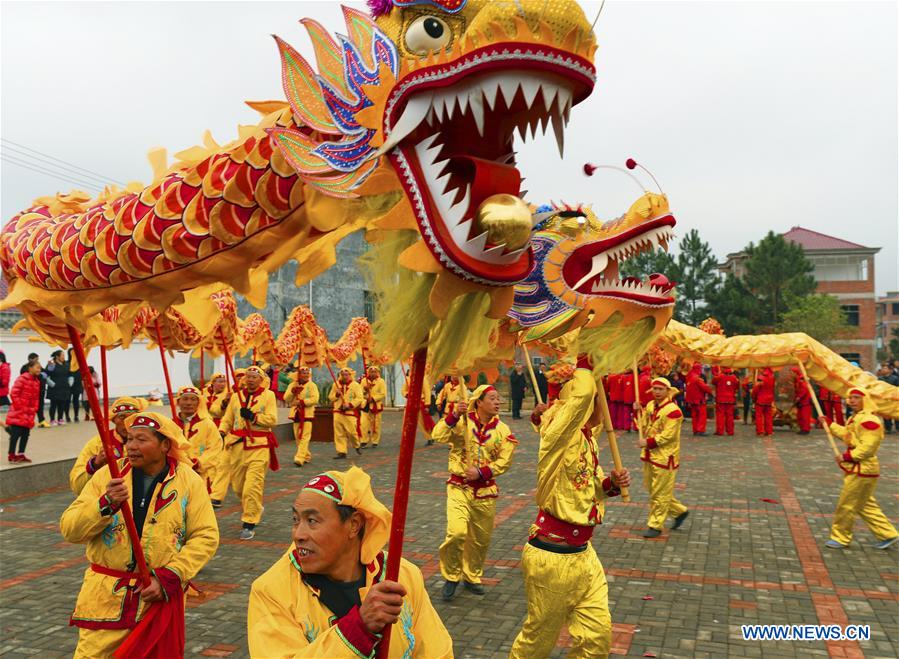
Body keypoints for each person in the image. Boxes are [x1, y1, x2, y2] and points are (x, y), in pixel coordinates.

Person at [60, 411, 219, 658]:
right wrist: (105, 503)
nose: (131, 446)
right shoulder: (109, 476)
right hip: (105, 600)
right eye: (129, 439)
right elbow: (70, 530)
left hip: (156, 601)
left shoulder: (189, 481)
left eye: (141, 439)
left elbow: (205, 536)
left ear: (165, 445)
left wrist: (170, 576)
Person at [247, 466, 452, 657]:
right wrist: (358, 630)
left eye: (312, 521)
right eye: (296, 520)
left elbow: (436, 651)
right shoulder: (272, 591)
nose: (298, 534)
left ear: (354, 525)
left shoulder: (399, 575)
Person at [510, 363, 630, 657]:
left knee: (597, 639)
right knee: (537, 643)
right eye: (595, 398)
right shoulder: (558, 436)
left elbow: (590, 487)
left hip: (585, 555)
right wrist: (587, 361)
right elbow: (582, 395)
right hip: (552, 558)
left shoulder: (587, 439)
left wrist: (611, 484)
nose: (600, 404)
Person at [432, 385, 518, 601]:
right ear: (479, 401)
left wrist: (481, 472)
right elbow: (438, 435)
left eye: (498, 398)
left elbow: (505, 460)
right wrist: (454, 415)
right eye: (492, 398)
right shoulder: (463, 422)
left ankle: (472, 575)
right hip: (459, 487)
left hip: (485, 491)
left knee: (480, 540)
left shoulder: (503, 430)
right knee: (457, 533)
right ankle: (452, 575)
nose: (497, 402)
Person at [822, 387, 898, 550]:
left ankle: (840, 537)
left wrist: (848, 456)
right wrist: (830, 424)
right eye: (850, 398)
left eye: (856, 397)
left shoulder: (869, 420)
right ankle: (887, 534)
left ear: (866, 399)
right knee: (864, 504)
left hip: (863, 469)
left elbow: (869, 447)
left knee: (846, 504)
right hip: (860, 468)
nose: (852, 401)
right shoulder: (857, 417)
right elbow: (848, 435)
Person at [219, 365, 279, 538]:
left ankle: (249, 522)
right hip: (237, 446)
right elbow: (228, 418)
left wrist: (254, 417)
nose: (251, 379)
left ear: (261, 380)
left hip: (259, 446)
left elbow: (272, 420)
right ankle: (255, 507)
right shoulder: (236, 396)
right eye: (248, 376)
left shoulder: (269, 395)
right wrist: (222, 431)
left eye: (254, 377)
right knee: (238, 487)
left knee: (252, 486)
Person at [637, 377, 689, 538]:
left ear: (668, 391)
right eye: (655, 388)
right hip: (650, 455)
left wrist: (648, 442)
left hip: (665, 458)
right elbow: (643, 425)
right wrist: (638, 411)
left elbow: (668, 436)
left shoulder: (674, 411)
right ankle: (679, 511)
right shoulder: (650, 405)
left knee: (659, 493)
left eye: (660, 389)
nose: (657, 392)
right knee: (653, 489)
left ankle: (655, 525)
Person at [70, 397, 149, 496]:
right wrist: (95, 464)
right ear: (114, 419)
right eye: (122, 417)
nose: (127, 422)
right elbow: (77, 487)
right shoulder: (98, 443)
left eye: (133, 417)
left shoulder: (150, 442)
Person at [175, 386, 221, 496]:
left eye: (193, 399)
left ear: (198, 402)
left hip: (201, 474)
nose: (189, 403)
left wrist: (199, 463)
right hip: (177, 474)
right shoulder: (171, 424)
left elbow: (215, 448)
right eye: (185, 399)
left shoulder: (207, 424)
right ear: (178, 402)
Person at [5, 360, 42, 463]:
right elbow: (13, 393)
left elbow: (36, 398)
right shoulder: (22, 379)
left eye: (40, 368)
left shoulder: (37, 382)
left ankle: (21, 454)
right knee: (15, 434)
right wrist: (20, 407)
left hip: (29, 413)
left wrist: (35, 408)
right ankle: (11, 455)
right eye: (37, 367)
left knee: (26, 434)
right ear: (30, 368)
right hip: (19, 412)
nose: (39, 370)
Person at [284, 366, 319, 466]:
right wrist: (292, 392)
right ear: (298, 374)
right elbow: (286, 398)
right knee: (298, 437)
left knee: (304, 437)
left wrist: (302, 402)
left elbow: (315, 399)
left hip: (307, 414)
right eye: (303, 373)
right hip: (296, 414)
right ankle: (306, 455)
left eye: (307, 373)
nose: (306, 375)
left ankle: (299, 458)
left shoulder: (312, 385)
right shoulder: (292, 385)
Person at [329, 367, 364, 459]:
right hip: (337, 411)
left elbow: (359, 398)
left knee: (352, 431)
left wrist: (350, 405)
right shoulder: (335, 384)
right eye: (342, 375)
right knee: (339, 433)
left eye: (346, 375)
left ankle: (356, 445)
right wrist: (336, 395)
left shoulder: (355, 385)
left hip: (350, 412)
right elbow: (331, 397)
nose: (344, 376)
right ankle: (341, 451)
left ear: (350, 375)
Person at [360, 366, 387, 448]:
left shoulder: (381, 381)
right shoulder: (364, 381)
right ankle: (364, 440)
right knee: (363, 424)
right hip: (365, 405)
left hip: (376, 406)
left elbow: (383, 393)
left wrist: (373, 398)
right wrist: (365, 391)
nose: (373, 373)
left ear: (377, 372)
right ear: (368, 372)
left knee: (376, 424)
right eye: (371, 372)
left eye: (375, 372)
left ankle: (375, 441)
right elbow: (360, 392)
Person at [685, 363, 712, 436]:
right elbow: (705, 388)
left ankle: (695, 430)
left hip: (691, 400)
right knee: (702, 415)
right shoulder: (697, 378)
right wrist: (711, 392)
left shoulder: (689, 377)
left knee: (695, 416)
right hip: (699, 399)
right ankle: (700, 430)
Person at [45, 349, 71, 425]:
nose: (64, 357)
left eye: (64, 355)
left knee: (62, 404)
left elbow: (69, 374)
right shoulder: (52, 363)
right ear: (57, 356)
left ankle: (60, 419)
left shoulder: (66, 364)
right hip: (55, 387)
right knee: (53, 404)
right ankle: (52, 420)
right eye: (62, 355)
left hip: (64, 387)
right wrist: (51, 383)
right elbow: (46, 374)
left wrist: (70, 381)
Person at [712, 366, 739, 436]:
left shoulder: (719, 377)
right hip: (730, 399)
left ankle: (720, 431)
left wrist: (717, 373)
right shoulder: (734, 378)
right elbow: (737, 386)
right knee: (730, 416)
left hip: (720, 399)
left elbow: (713, 381)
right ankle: (730, 431)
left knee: (720, 416)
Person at [752, 367, 775, 437]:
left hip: (760, 400)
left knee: (759, 417)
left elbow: (756, 389)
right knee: (768, 416)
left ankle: (760, 431)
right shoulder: (772, 378)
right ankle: (769, 431)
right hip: (769, 400)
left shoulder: (761, 378)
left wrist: (754, 398)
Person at [792, 367, 812, 435]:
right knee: (800, 416)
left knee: (805, 417)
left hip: (805, 402)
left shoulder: (801, 379)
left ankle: (805, 429)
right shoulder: (798, 379)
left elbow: (804, 389)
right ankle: (803, 429)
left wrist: (798, 397)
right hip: (802, 401)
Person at [68, 347, 85, 423]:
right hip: (69, 384)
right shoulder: (67, 363)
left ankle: (76, 416)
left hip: (77, 383)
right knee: (67, 401)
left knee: (76, 400)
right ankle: (67, 415)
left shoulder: (80, 363)